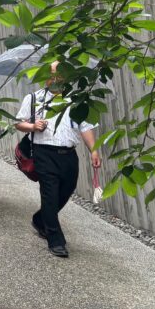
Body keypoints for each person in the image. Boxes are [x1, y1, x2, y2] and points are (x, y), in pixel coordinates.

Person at [14, 63, 102, 258]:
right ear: (45, 77)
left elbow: (85, 127)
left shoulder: (77, 101)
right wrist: (32, 126)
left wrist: (93, 150)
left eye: (60, 75)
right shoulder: (34, 99)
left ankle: (40, 218)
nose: (55, 79)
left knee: (66, 190)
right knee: (50, 195)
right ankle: (56, 240)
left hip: (69, 155)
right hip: (44, 153)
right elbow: (19, 123)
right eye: (51, 75)